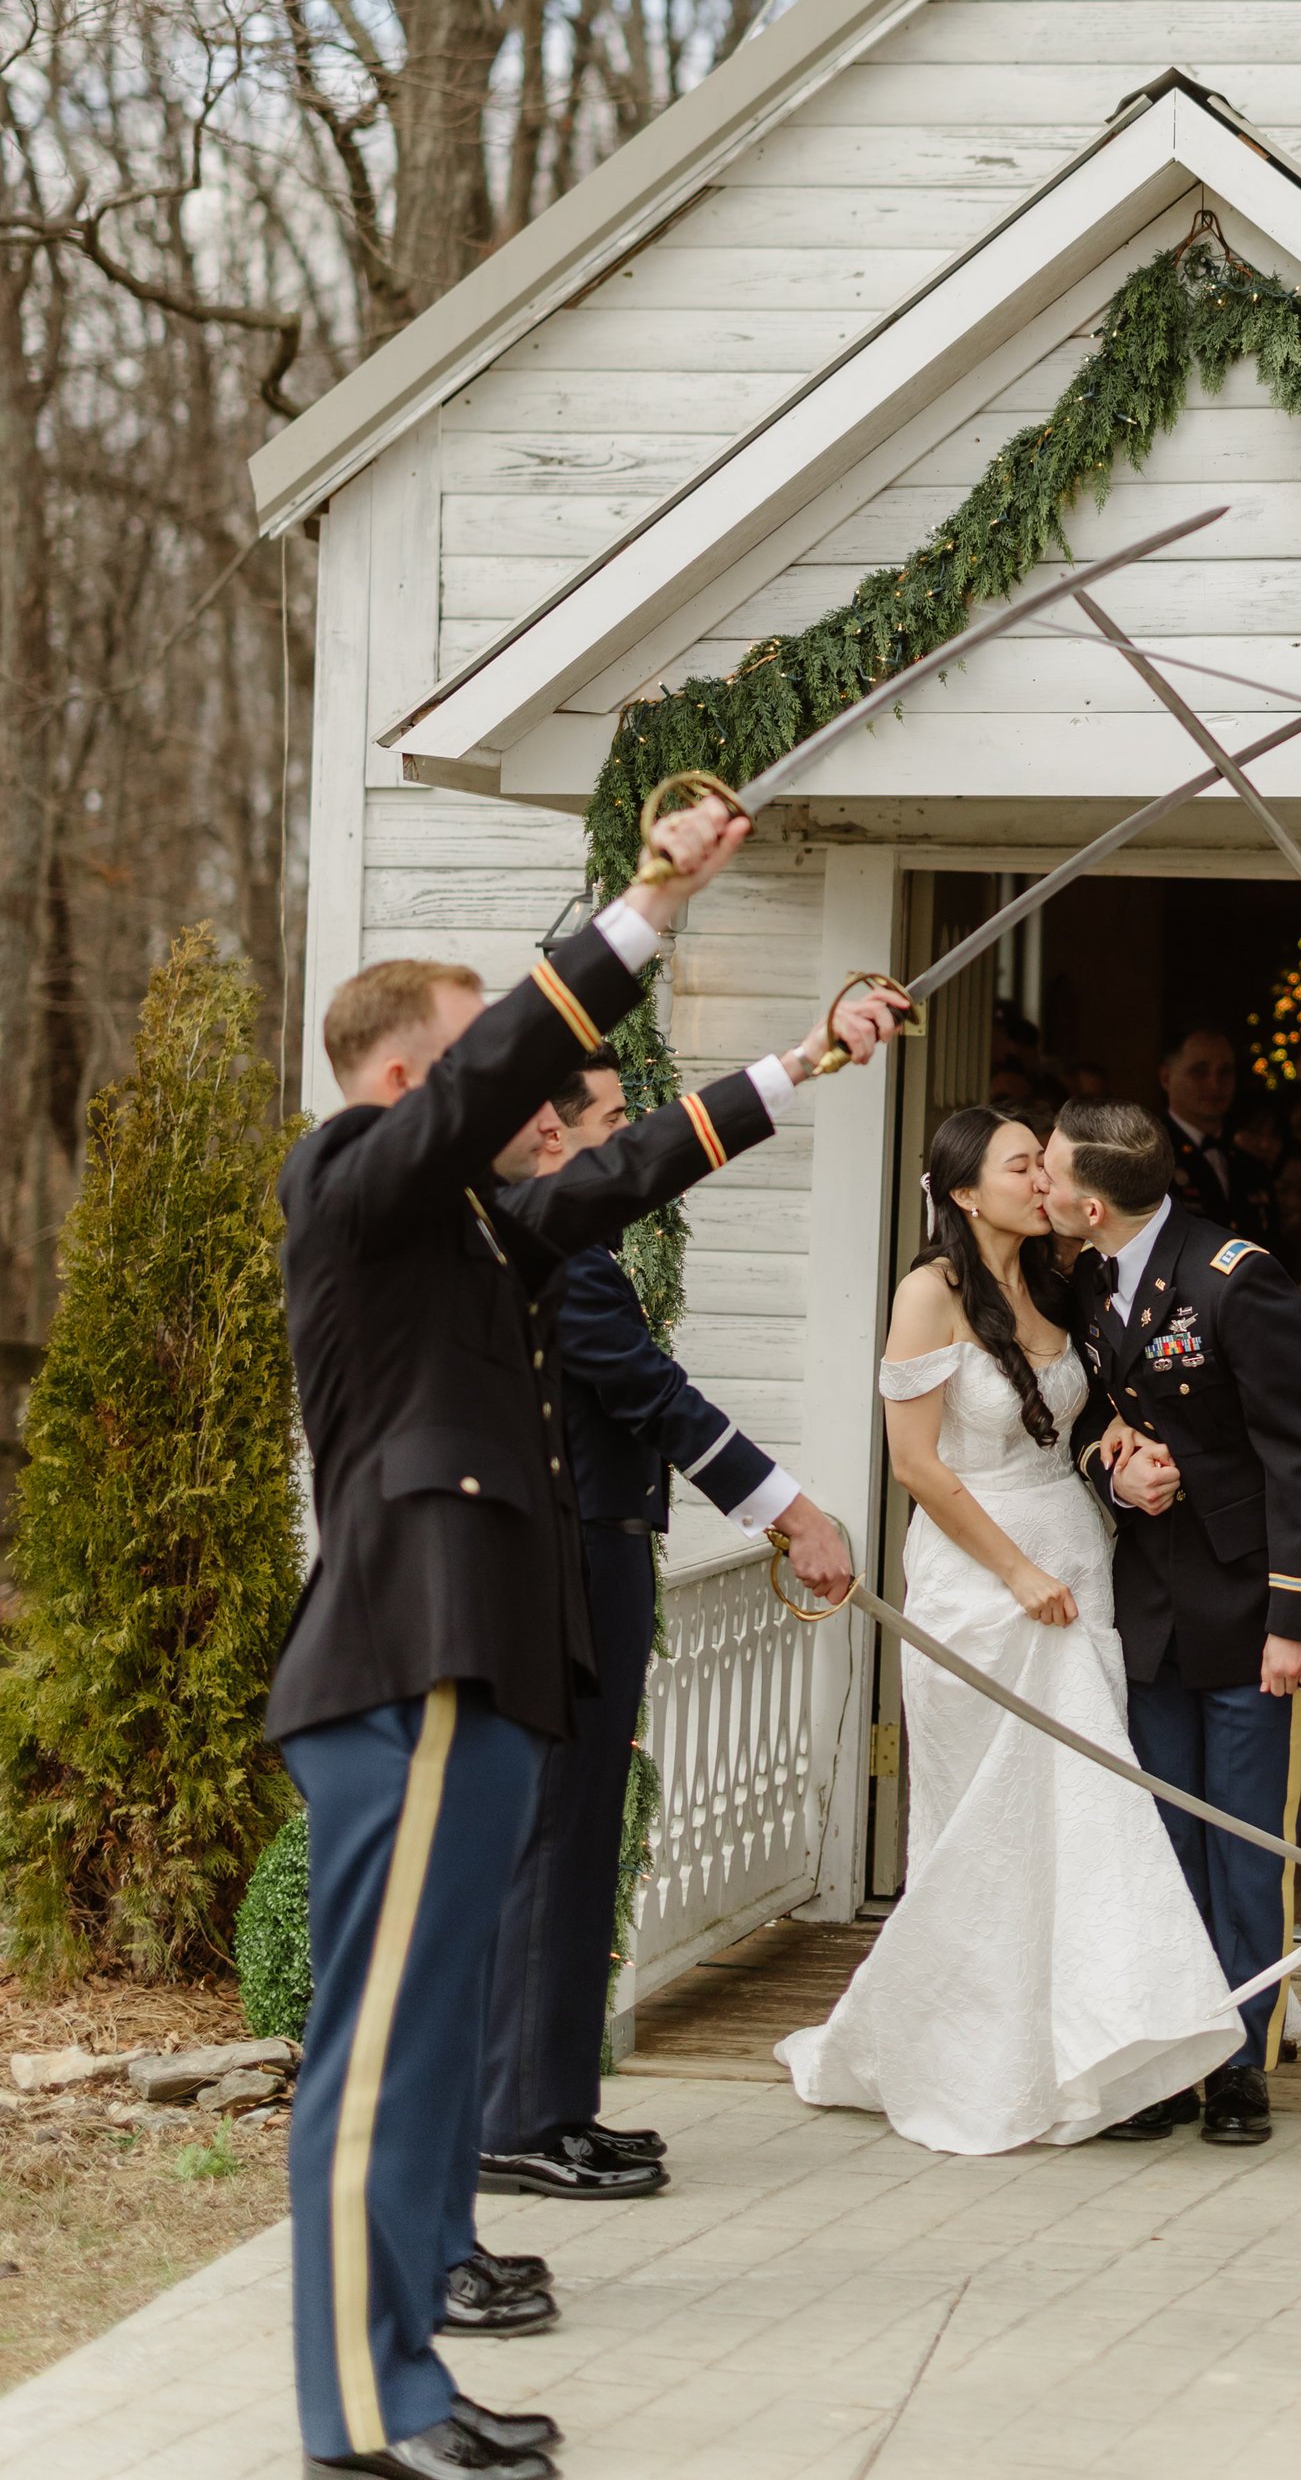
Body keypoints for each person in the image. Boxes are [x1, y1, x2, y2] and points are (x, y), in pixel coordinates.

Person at [271, 791, 829, 2480]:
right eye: (482, 1076)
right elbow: (495, 1071)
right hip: (413, 1653)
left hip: (480, 1659)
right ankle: (363, 2411)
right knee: (380, 2051)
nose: (525, 1108)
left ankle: (406, 2379)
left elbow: (625, 1163)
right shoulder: (354, 1178)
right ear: (405, 1087)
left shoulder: (472, 1230)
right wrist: (647, 906)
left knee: (429, 2041)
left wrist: (795, 1071)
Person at [474, 1024, 889, 2217]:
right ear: (544, 1129)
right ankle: (514, 2119)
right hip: (566, 1564)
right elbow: (653, 1397)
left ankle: (556, 2106)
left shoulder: (568, 1239)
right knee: (557, 1841)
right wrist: (791, 1510)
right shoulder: (561, 1249)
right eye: (606, 1122)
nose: (609, 1140)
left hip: (598, 1557)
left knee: (582, 1836)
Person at [776, 1104, 1242, 2152]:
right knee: (987, 1820)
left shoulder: (1064, 1279)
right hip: (981, 1581)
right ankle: (976, 2048)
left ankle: (1108, 2035)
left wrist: (1126, 1445)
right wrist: (1017, 1570)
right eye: (1023, 1163)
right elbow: (917, 1466)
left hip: (1080, 1561)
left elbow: (1091, 1408)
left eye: (1044, 1161)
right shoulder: (926, 1293)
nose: (1045, 1178)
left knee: (1087, 1801)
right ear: (959, 1189)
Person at [1051, 1098, 1301, 2150]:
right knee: (1160, 1837)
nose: (1039, 1184)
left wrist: (1300, 1617)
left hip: (1246, 1603)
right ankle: (1170, 2055)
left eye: (1048, 1169)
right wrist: (1118, 1474)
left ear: (1091, 1198)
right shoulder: (1087, 1275)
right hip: (1151, 1604)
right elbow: (1091, 1409)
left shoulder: (1237, 1277)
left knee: (1240, 1843)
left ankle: (1237, 2063)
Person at [1161, 1020, 1259, 1235]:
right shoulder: (1151, 1156)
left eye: (1225, 1072)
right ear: (1166, 1078)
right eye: (1199, 1072)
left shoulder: (1247, 1162)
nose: (1215, 1084)